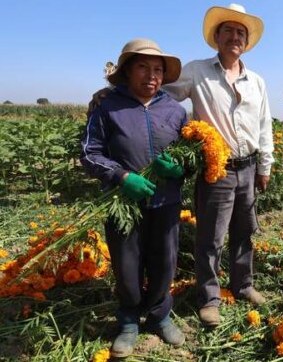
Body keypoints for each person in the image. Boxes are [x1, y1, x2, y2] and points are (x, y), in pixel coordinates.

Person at [163, 3, 274, 327]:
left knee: (244, 232)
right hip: (217, 169)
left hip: (249, 167)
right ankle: (209, 298)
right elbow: (164, 97)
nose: (234, 36)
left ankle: (243, 286)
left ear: (246, 41)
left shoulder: (257, 81)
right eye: (228, 30)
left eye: (240, 32)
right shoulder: (196, 71)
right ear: (216, 36)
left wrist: (265, 166)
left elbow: (264, 125)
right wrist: (185, 130)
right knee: (210, 238)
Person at [80, 38, 187, 357]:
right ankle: (128, 321)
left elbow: (189, 156)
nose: (152, 75)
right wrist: (122, 176)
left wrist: (179, 168)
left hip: (166, 202)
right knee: (127, 265)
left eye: (158, 69)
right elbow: (90, 152)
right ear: (127, 71)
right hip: (122, 203)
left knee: (165, 263)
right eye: (143, 67)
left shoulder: (176, 110)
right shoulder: (108, 107)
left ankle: (159, 315)